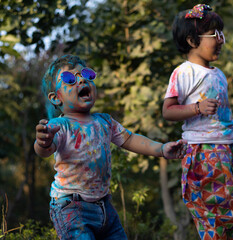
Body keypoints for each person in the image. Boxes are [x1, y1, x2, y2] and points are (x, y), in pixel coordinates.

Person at [34, 54, 187, 240]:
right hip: (71, 207)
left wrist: (162, 149)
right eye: (69, 79)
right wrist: (43, 141)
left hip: (104, 206)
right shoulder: (60, 125)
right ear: (56, 98)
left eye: (86, 74)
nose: (81, 79)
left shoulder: (105, 121)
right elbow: (45, 150)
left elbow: (131, 140)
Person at [162, 4, 233, 240]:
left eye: (222, 34)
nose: (222, 40)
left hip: (230, 149)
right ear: (192, 41)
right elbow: (168, 110)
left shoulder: (219, 74)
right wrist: (197, 108)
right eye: (215, 35)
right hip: (205, 153)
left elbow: (222, 115)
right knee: (215, 212)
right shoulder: (183, 73)